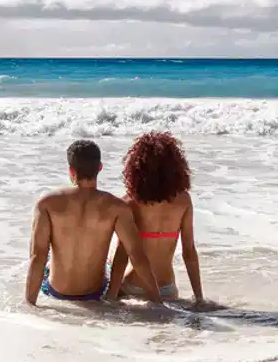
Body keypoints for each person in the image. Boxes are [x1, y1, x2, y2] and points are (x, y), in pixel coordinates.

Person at [25, 139, 162, 306]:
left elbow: (37, 256)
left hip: (56, 291)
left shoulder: (46, 203)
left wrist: (29, 304)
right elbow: (137, 256)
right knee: (112, 259)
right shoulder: (118, 207)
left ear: (71, 170)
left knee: (43, 256)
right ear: (100, 168)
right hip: (95, 293)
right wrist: (158, 303)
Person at [110, 131, 205, 306]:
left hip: (133, 287)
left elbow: (122, 255)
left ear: (137, 169)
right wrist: (199, 298)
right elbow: (189, 252)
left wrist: (111, 297)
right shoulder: (184, 201)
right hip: (167, 289)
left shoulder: (130, 202)